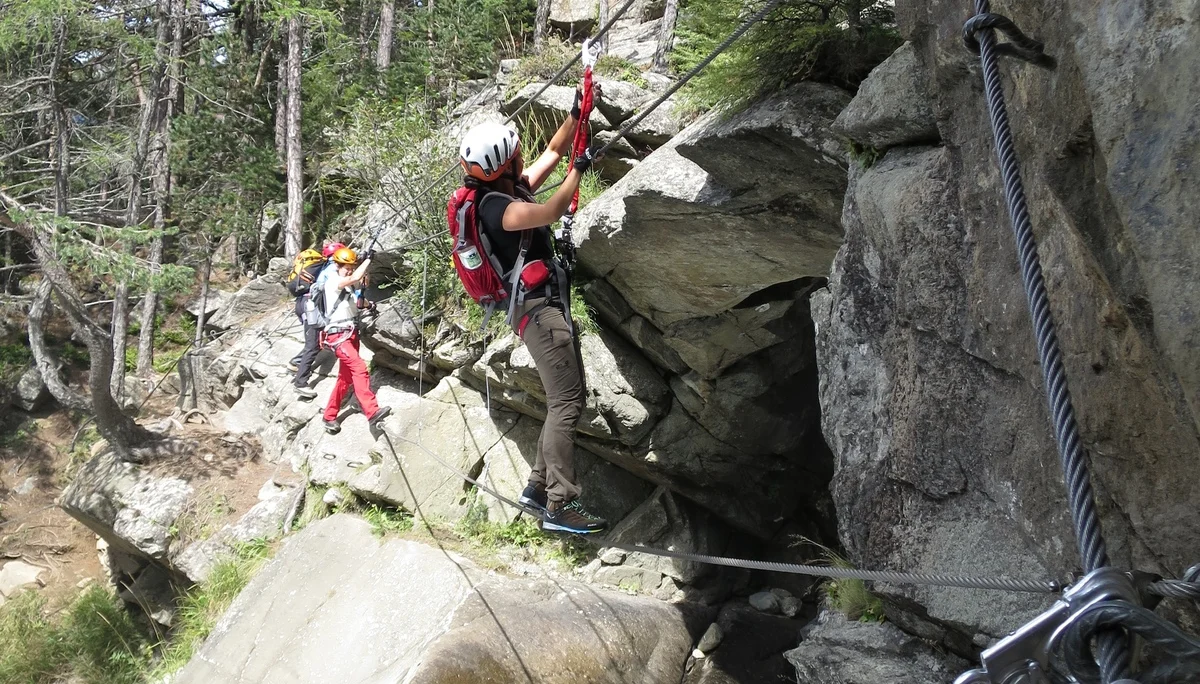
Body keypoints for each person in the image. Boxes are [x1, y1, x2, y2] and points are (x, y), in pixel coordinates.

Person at [457, 90, 606, 534]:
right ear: (504, 161)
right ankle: (560, 506)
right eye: (516, 151)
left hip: (538, 310)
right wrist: (579, 172)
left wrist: (577, 115)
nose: (524, 154)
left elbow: (554, 151)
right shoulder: (497, 209)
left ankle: (537, 489)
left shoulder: (506, 189)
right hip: (540, 314)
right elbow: (552, 210)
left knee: (559, 403)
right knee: (567, 404)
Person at [321, 246, 391, 434]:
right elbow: (352, 279)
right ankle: (372, 412)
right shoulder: (333, 281)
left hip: (350, 334)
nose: (349, 270)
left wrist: (370, 305)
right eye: (346, 267)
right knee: (360, 369)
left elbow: (358, 302)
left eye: (352, 267)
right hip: (338, 336)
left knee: (345, 379)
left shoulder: (350, 286)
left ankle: (329, 416)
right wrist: (367, 261)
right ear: (337, 265)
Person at [290, 241, 344, 400]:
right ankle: (301, 383)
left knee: (315, 342)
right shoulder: (331, 268)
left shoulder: (322, 266)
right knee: (313, 345)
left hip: (303, 304)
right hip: (311, 307)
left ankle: (295, 363)